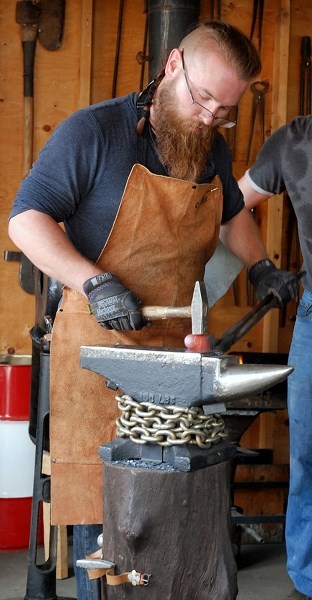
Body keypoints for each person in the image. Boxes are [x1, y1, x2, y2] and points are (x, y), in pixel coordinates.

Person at [8, 20, 298, 600]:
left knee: (170, 522)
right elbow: (26, 219)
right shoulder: (92, 133)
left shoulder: (207, 144)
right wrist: (93, 281)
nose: (210, 117)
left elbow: (233, 209)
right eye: (203, 99)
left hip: (169, 358)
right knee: (106, 522)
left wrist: (261, 264)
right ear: (172, 66)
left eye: (224, 111)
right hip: (96, 357)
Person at [239, 116, 312, 600]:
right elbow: (229, 206)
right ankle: (308, 581)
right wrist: (261, 267)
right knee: (308, 453)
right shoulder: (295, 141)